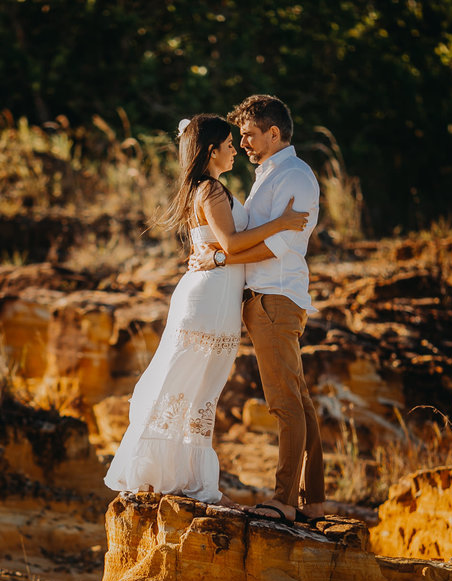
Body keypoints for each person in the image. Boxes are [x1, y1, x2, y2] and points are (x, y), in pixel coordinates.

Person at [104, 113, 309, 505]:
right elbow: (231, 243)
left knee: (201, 387)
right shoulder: (211, 190)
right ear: (212, 151)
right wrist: (282, 223)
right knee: (185, 380)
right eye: (230, 144)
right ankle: (154, 469)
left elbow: (225, 249)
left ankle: (184, 474)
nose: (236, 149)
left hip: (218, 293)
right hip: (209, 297)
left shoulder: (209, 188)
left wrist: (219, 256)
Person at [192, 94, 324, 523]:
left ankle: (285, 501)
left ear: (273, 132)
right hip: (263, 299)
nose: (243, 142)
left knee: (284, 402)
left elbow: (275, 246)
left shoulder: (296, 178)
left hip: (276, 298)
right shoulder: (267, 175)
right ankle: (313, 500)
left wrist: (218, 258)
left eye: (249, 135)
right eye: (240, 136)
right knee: (299, 402)